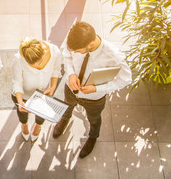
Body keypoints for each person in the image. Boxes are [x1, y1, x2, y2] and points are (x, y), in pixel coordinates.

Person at [53, 22, 132, 158]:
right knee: (67, 106)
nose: (74, 52)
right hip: (71, 89)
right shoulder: (75, 38)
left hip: (94, 99)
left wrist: (97, 89)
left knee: (94, 119)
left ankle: (93, 137)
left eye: (77, 51)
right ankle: (65, 119)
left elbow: (126, 79)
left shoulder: (113, 56)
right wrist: (71, 73)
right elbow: (67, 55)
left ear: (91, 44)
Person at [12, 38, 62, 142]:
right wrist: (20, 101)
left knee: (42, 113)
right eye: (34, 64)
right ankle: (24, 124)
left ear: (44, 50)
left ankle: (38, 125)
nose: (38, 66)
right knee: (22, 112)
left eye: (40, 62)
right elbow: (17, 82)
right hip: (24, 94)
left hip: (44, 93)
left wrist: (52, 87)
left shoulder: (55, 52)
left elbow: (56, 70)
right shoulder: (18, 59)